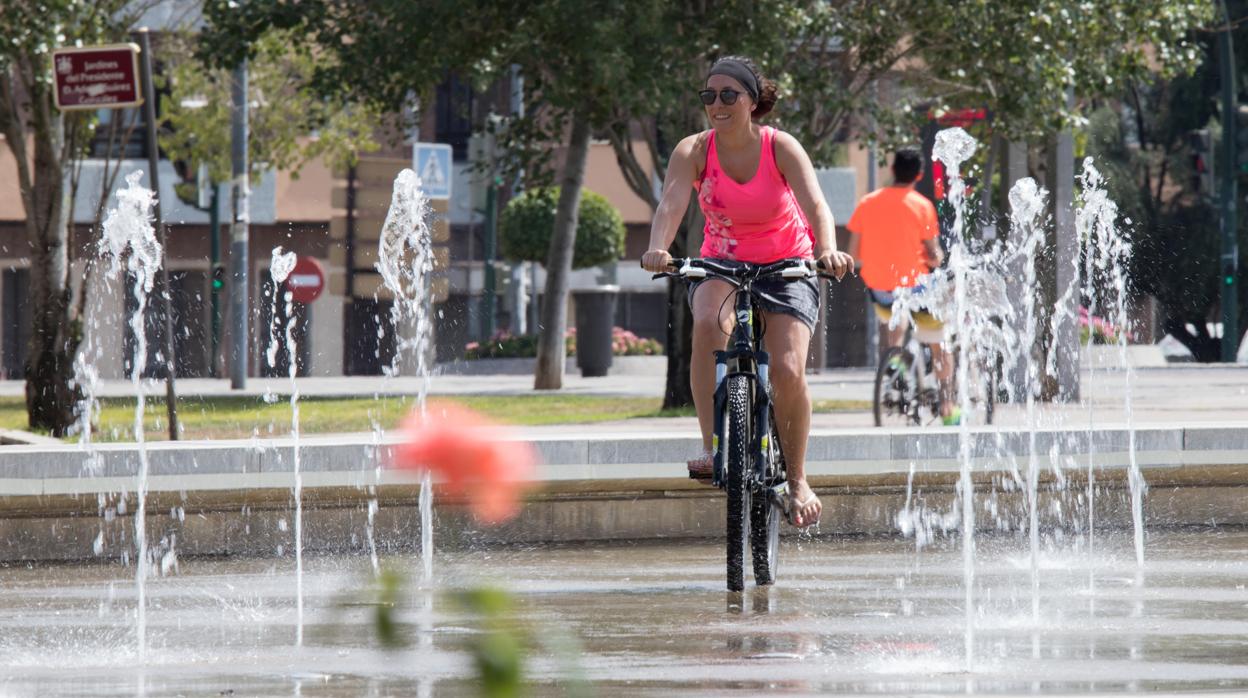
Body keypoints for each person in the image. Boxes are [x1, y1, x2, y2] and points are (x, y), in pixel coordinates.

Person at [641, 56, 852, 528]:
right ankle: (713, 447)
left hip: (788, 263)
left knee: (786, 367)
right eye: (709, 96)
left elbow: (815, 202)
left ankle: (797, 480)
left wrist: (829, 251)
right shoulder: (693, 150)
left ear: (752, 102)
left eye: (729, 95)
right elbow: (672, 202)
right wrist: (658, 247)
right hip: (723, 260)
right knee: (705, 326)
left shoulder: (781, 147)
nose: (717, 104)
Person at [846, 148, 958, 424]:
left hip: (880, 293)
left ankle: (894, 360)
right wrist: (939, 259)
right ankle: (947, 407)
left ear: (893, 169)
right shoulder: (921, 205)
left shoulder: (867, 202)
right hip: (917, 290)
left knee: (895, 316)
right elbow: (933, 255)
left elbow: (854, 252)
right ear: (919, 175)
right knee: (938, 342)